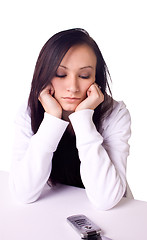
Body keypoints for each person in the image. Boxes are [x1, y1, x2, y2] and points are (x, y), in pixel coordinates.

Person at [9, 28, 132, 210]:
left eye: (84, 76)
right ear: (44, 74)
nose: (72, 87)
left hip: (112, 217)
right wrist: (52, 118)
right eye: (60, 74)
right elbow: (23, 193)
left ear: (96, 78)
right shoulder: (29, 112)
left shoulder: (115, 113)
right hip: (52, 210)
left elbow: (107, 199)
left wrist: (83, 118)